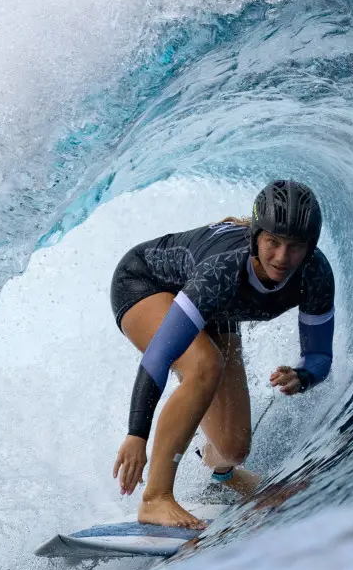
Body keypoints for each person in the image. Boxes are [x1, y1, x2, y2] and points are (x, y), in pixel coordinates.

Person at [109, 179, 336, 528]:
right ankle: (155, 498)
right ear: (256, 236)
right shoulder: (223, 270)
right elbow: (158, 356)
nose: (281, 257)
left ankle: (223, 475)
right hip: (145, 284)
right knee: (203, 364)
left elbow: (320, 355)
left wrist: (302, 375)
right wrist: (136, 434)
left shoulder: (315, 274)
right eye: (272, 242)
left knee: (233, 447)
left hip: (213, 309)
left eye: (295, 247)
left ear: (311, 247)